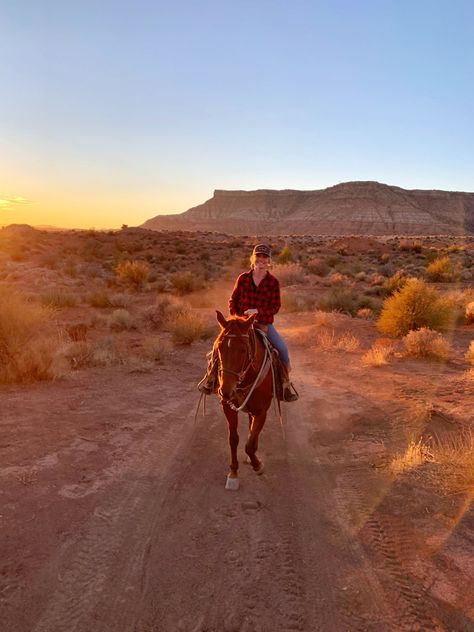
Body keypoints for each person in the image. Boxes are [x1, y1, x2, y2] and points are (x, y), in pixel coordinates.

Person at [198, 243, 298, 402]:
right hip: (240, 324)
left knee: (282, 350)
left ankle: (285, 385)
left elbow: (275, 306)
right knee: (218, 346)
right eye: (258, 256)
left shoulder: (273, 282)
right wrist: (236, 318)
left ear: (269, 260)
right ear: (253, 258)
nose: (261, 260)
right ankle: (211, 379)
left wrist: (257, 312)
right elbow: (233, 300)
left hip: (263, 324)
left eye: (265, 257)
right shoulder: (243, 278)